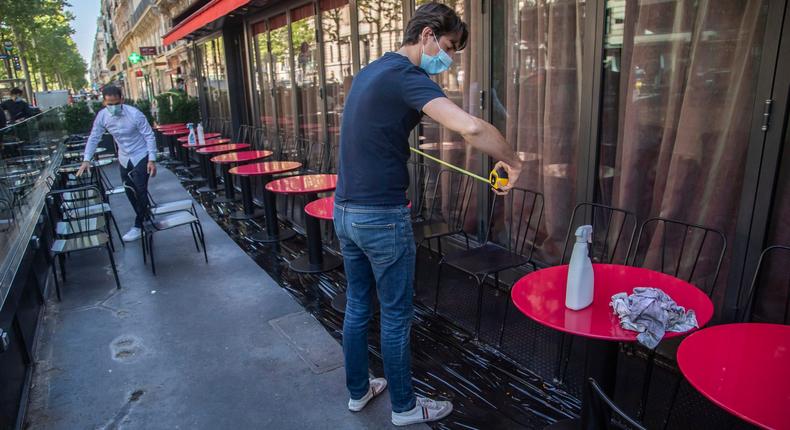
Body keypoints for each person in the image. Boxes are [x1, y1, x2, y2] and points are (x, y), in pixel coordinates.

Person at [333, 2, 523, 427]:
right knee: (397, 315)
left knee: (358, 306)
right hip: (380, 217)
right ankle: (404, 407)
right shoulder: (406, 75)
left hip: (345, 211)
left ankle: (359, 392)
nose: (450, 58)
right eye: (450, 47)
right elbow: (471, 127)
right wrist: (514, 160)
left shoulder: (373, 70)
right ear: (427, 35)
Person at [77, 85, 157, 242]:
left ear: (122, 99)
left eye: (115, 103)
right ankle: (145, 215)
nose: (113, 107)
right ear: (104, 102)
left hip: (141, 154)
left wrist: (152, 159)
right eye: (109, 104)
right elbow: (94, 137)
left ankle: (138, 225)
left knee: (141, 189)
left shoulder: (135, 114)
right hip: (123, 157)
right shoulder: (102, 116)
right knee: (129, 190)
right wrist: (86, 159)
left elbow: (149, 136)